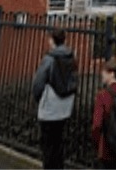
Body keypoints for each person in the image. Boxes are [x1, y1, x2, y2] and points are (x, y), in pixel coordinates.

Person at [31, 28, 77, 169]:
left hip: (50, 106)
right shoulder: (71, 57)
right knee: (58, 141)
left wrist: (38, 98)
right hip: (65, 106)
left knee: (48, 144)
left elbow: (39, 83)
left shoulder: (50, 58)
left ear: (52, 40)